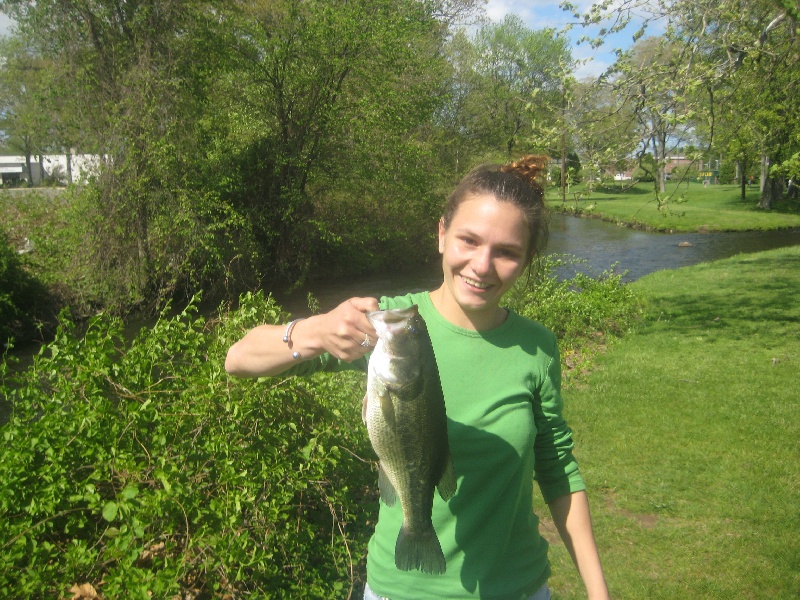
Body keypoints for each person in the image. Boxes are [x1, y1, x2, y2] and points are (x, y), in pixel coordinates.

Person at [225, 155, 610, 600]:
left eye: (506, 252)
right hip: (400, 589)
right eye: (469, 240)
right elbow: (238, 359)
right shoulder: (387, 326)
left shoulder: (537, 346)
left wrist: (599, 594)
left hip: (516, 587)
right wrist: (312, 331)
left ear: (526, 260)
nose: (482, 266)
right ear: (442, 233)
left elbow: (558, 469)